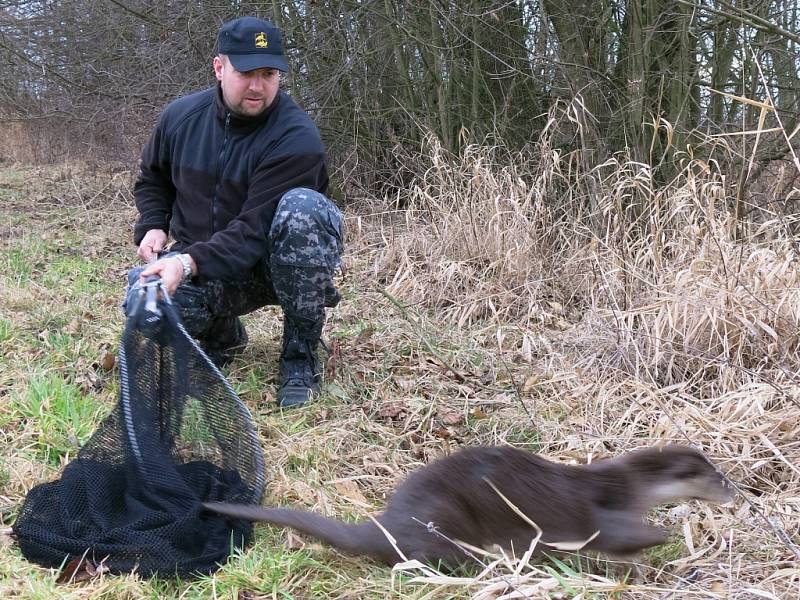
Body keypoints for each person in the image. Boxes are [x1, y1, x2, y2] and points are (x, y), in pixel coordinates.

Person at [128, 16, 343, 408]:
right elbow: (152, 179)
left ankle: (300, 356)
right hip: (210, 265)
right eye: (247, 72)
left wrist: (187, 263)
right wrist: (153, 225)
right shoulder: (180, 118)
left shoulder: (296, 137)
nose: (258, 86)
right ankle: (222, 332)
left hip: (275, 268)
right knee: (143, 299)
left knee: (302, 209)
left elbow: (253, 230)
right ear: (219, 67)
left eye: (269, 73)